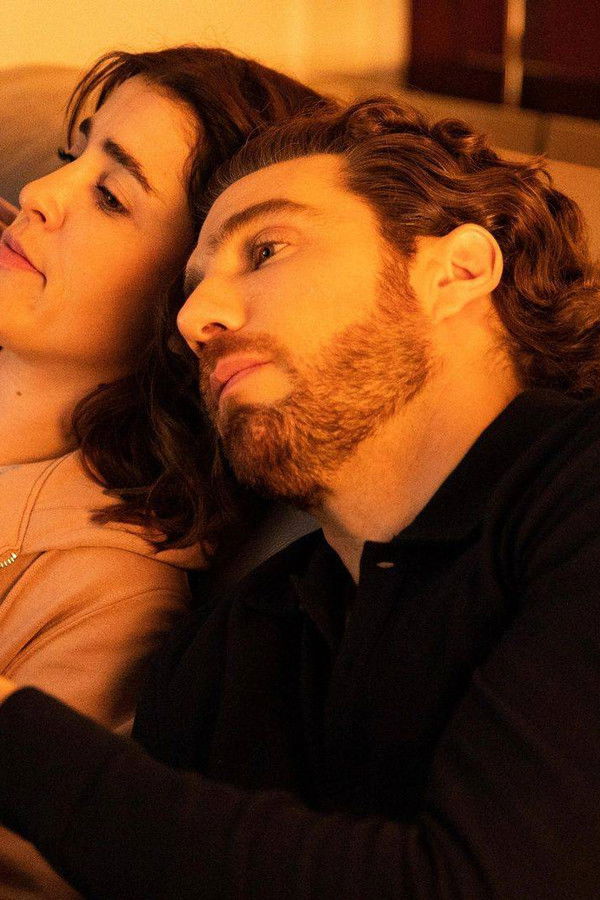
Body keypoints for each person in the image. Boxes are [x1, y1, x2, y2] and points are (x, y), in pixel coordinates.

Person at [0, 97, 600, 898]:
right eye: (191, 286)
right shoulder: (240, 647)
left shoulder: (577, 494)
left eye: (266, 250)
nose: (195, 317)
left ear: (456, 270)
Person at [0, 45, 330, 898]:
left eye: (110, 195)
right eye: (73, 155)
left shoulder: (106, 597)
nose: (39, 193)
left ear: (193, 297)